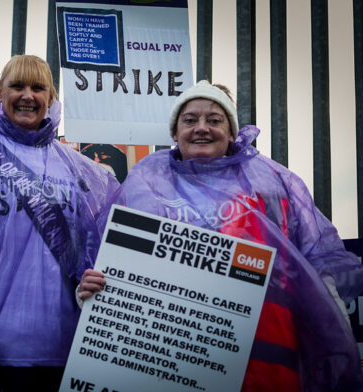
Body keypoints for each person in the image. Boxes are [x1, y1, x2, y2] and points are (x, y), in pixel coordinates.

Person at [80, 80, 363, 390]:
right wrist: (97, 293)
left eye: (214, 120)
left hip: (266, 355)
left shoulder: (270, 183)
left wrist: (328, 306)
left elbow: (318, 257)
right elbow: (112, 261)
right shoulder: (145, 183)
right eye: (190, 120)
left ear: (231, 132)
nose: (202, 128)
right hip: (172, 356)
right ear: (175, 133)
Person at [0, 54, 120, 390]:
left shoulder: (82, 169)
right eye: (17, 85)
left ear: (51, 98)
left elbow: (108, 249)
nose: (27, 95)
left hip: (68, 348)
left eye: (38, 88)